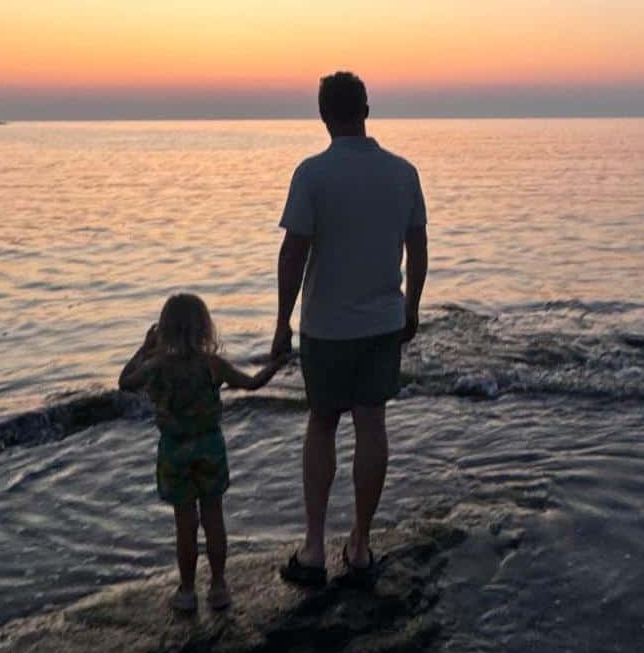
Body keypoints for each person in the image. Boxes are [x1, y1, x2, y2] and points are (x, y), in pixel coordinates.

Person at [272, 71, 428, 588]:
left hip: (327, 327)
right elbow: (418, 248)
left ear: (323, 115)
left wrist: (282, 324)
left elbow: (293, 253)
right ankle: (360, 545)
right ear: (367, 109)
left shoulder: (312, 174)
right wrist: (412, 308)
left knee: (322, 423)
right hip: (382, 322)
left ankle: (314, 549)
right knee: (371, 425)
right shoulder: (403, 173)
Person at [120, 291, 288, 613]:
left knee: (185, 525)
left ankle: (186, 590)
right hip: (211, 448)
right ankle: (219, 586)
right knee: (214, 518)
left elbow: (124, 382)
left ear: (164, 330)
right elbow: (252, 384)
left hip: (174, 452)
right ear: (205, 329)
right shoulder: (213, 366)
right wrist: (275, 365)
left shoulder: (156, 367)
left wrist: (143, 349)